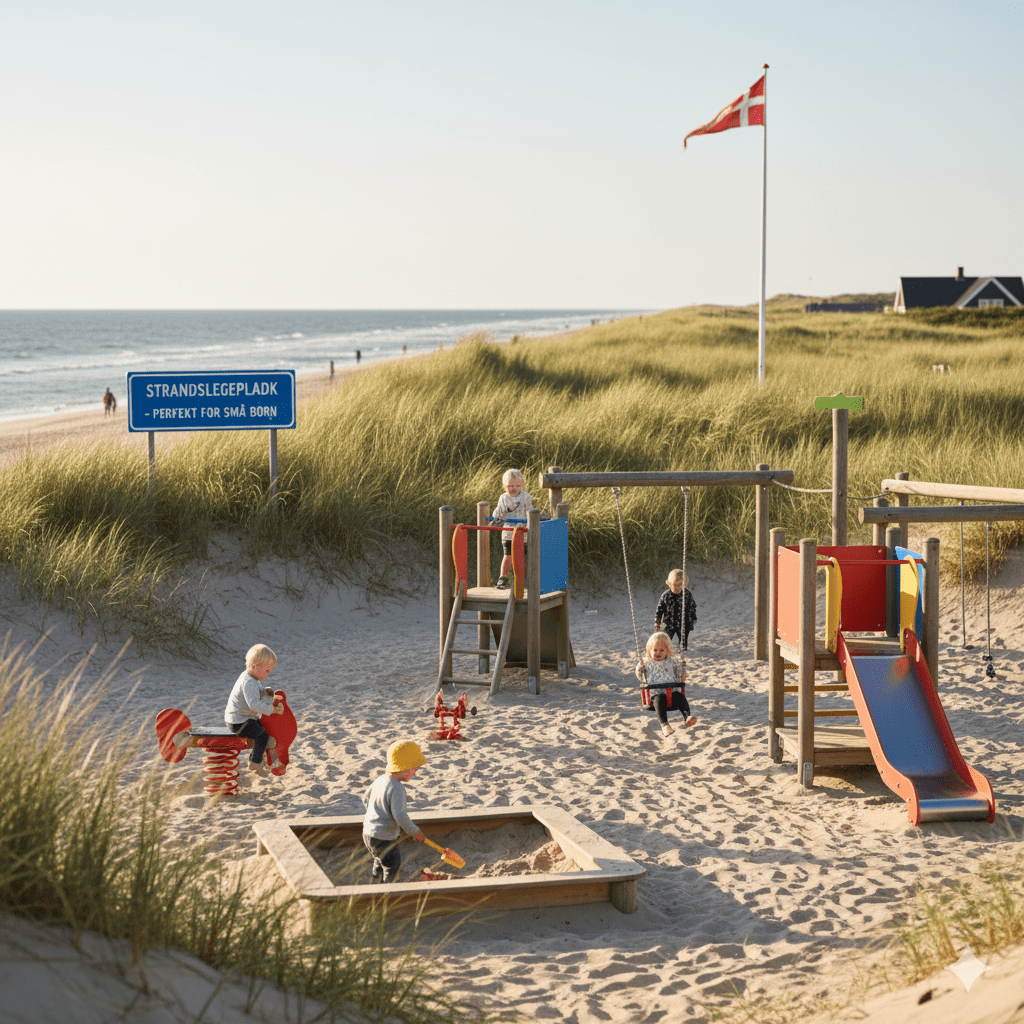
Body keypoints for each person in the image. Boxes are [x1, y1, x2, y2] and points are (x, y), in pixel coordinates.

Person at [362, 739, 430, 883]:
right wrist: (414, 831)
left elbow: (365, 798)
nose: (415, 774)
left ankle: (375, 874)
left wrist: (375, 815)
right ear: (405, 768)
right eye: (415, 769)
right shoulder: (397, 788)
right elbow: (399, 815)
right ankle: (387, 890)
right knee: (392, 864)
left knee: (379, 856)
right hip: (383, 837)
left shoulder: (381, 779)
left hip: (368, 832)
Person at [223, 643, 287, 778]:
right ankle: (255, 762)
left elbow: (254, 693)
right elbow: (253, 704)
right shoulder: (249, 682)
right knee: (262, 735)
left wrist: (264, 692)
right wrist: (272, 710)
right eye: (267, 671)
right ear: (255, 667)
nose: (268, 674)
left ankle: (269, 759)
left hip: (245, 718)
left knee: (267, 730)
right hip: (238, 722)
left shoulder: (252, 677)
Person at [636, 631, 696, 737]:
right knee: (660, 699)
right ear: (649, 651)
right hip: (655, 696)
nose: (658, 652)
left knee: (680, 697)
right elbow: (640, 676)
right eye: (655, 650)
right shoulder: (646, 662)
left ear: (667, 651)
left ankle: (687, 717)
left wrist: (682, 672)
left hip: (672, 693)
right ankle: (665, 725)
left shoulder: (671, 662)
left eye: (662, 650)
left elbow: (679, 676)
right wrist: (640, 669)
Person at [491, 468, 533, 589]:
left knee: (523, 557)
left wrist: (530, 521)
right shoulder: (503, 498)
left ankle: (522, 580)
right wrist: (496, 518)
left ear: (522, 485)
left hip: (522, 533)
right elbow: (499, 512)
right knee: (508, 556)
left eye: (516, 485)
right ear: (505, 486)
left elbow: (530, 511)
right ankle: (502, 578)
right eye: (510, 486)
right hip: (508, 533)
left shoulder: (526, 497)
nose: (513, 488)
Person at [655, 569, 697, 651]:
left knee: (683, 637)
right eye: (674, 585)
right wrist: (658, 621)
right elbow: (660, 608)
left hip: (683, 622)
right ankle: (665, 649)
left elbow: (692, 606)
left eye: (680, 585)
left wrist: (693, 617)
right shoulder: (666, 595)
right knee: (666, 637)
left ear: (684, 584)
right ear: (670, 584)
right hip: (669, 622)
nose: (677, 587)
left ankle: (683, 649)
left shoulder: (687, 594)